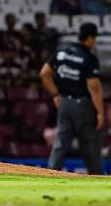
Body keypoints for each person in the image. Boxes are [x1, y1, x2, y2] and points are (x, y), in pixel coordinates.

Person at [40, 22, 104, 175]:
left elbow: (44, 73)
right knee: (89, 144)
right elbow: (94, 87)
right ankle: (97, 178)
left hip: (64, 103)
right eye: (93, 38)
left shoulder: (62, 52)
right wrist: (100, 112)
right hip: (82, 104)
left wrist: (55, 93)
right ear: (89, 38)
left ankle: (50, 174)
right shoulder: (89, 57)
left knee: (61, 142)